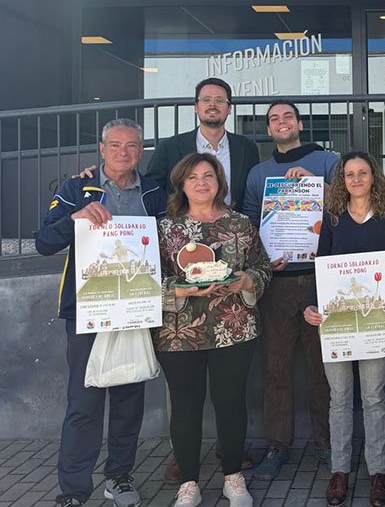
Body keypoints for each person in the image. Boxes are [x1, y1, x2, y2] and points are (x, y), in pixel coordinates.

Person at [35, 118, 168, 507]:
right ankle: (74, 490)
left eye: (132, 146)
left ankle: (119, 478)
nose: (124, 152)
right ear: (102, 147)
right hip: (86, 311)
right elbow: (43, 241)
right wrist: (73, 219)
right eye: (116, 145)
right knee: (84, 402)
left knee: (129, 397)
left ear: (141, 151)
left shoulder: (157, 191)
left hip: (137, 308)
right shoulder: (78, 188)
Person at [155, 153, 272, 507]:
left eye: (209, 175)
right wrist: (180, 289)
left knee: (230, 403)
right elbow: (149, 281)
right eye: (193, 177)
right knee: (186, 407)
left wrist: (246, 281)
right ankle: (188, 483)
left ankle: (233, 477)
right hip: (178, 332)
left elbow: (263, 267)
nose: (202, 182)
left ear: (220, 181)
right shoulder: (164, 229)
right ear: (182, 184)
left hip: (232, 328)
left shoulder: (241, 224)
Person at [301, 152, 385, 507]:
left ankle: (377, 472)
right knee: (340, 400)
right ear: (342, 180)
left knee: (374, 399)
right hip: (337, 323)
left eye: (363, 172)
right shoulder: (332, 218)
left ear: (373, 177)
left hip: (375, 322)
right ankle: (339, 471)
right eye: (349, 174)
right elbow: (322, 267)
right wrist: (313, 307)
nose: (357, 179)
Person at [241, 100, 340, 478]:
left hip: (320, 278)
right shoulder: (258, 173)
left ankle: (328, 442)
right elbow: (250, 223)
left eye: (287, 117)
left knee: (322, 370)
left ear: (299, 123)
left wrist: (320, 188)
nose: (281, 123)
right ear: (268, 130)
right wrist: (264, 259)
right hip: (276, 282)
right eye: (273, 119)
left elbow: (346, 205)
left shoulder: (326, 161)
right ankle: (277, 444)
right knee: (276, 369)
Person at [146, 78, 260, 211]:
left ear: (229, 109)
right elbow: (152, 191)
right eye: (206, 100)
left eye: (219, 100)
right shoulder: (169, 147)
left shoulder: (247, 148)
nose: (212, 105)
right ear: (196, 107)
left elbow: (253, 193)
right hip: (182, 228)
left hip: (233, 229)